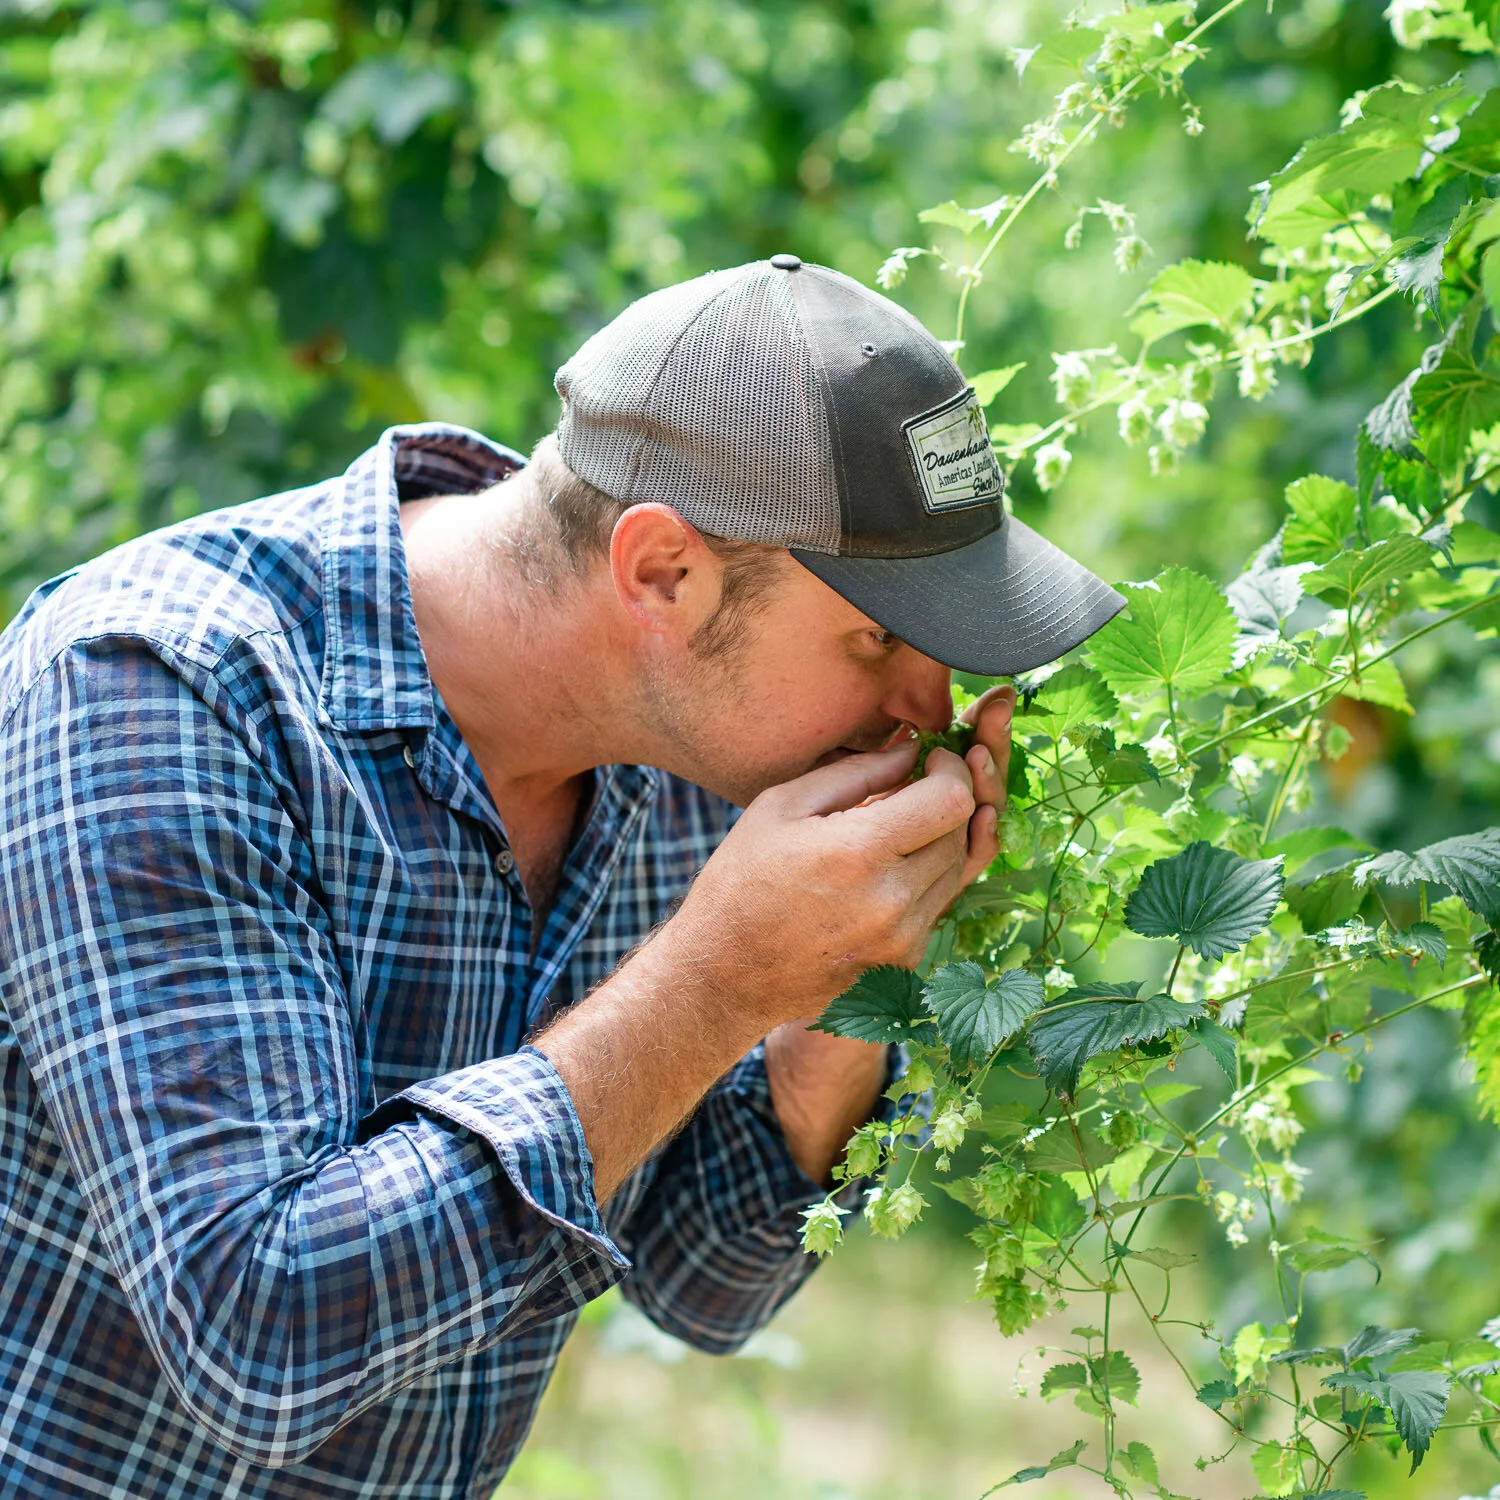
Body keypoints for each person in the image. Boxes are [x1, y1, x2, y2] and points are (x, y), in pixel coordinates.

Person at [0, 256, 1123, 1499]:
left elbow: (704, 1284)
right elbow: (257, 1333)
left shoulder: (695, 746)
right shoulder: (159, 690)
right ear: (662, 574)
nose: (928, 715)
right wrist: (709, 984)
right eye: (878, 642)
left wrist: (831, 999)